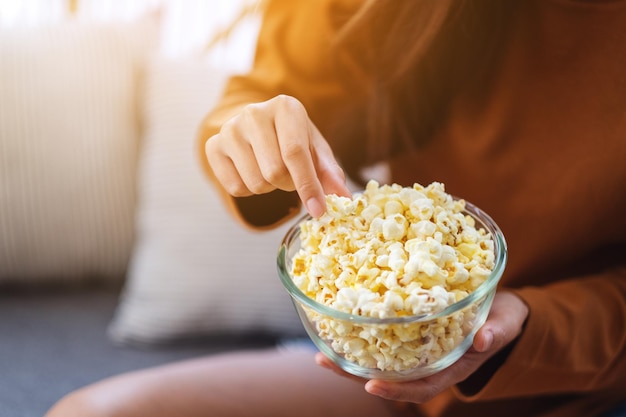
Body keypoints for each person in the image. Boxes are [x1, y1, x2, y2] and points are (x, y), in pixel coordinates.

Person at [46, 0, 626, 416]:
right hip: (383, 364)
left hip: (574, 382)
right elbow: (260, 96)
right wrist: (249, 135)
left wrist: (527, 321)